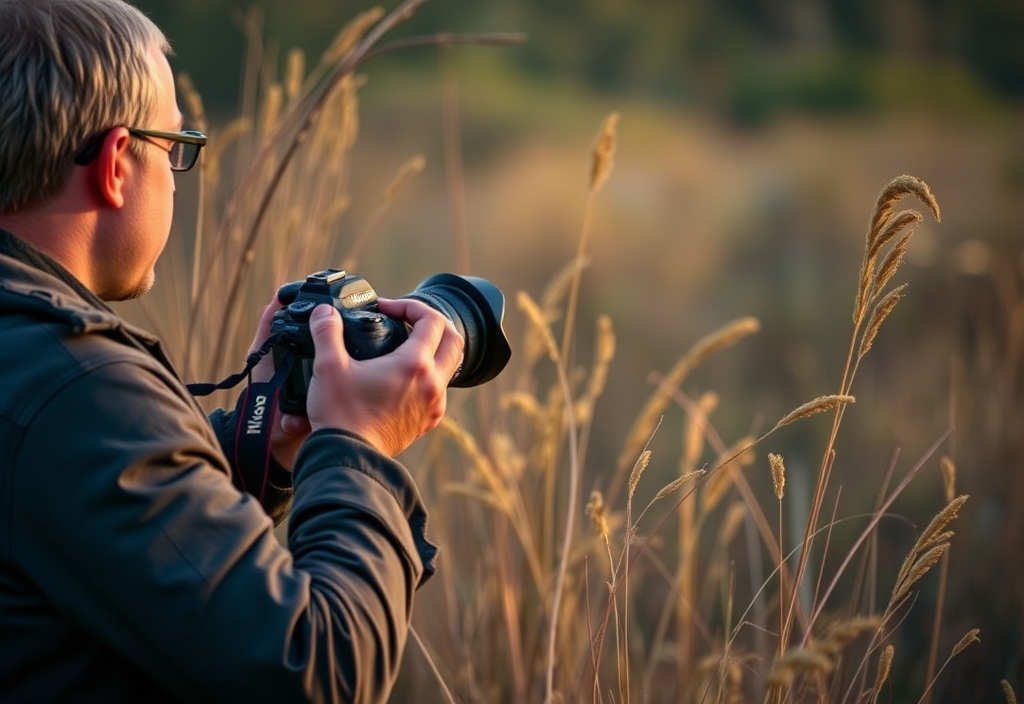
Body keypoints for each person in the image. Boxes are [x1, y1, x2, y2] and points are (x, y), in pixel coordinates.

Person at [0, 1, 465, 702]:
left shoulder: (33, 364)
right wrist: (359, 447)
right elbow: (319, 670)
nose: (179, 168)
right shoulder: (78, 388)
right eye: (176, 144)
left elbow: (86, 522)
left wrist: (266, 439)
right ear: (119, 163)